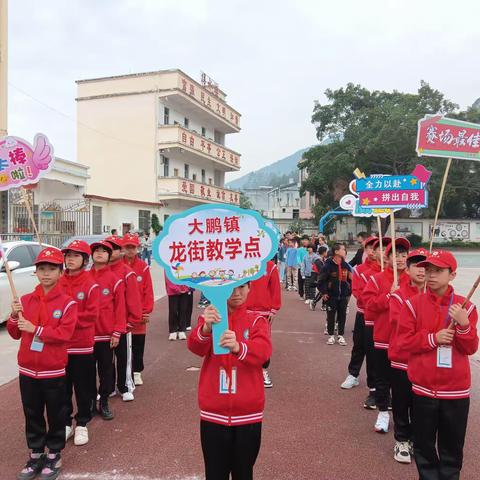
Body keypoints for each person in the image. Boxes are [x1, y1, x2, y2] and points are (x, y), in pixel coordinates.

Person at [397, 250, 478, 479]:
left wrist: (462, 325)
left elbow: (470, 348)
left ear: (452, 275)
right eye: (428, 270)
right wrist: (433, 338)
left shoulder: (466, 307)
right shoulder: (413, 305)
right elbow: (402, 342)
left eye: (438, 271)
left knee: (452, 449)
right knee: (423, 446)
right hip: (423, 389)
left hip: (456, 392)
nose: (431, 275)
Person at [188, 283, 272, 480]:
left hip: (248, 413)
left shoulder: (256, 320)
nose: (236, 293)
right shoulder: (211, 316)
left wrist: (238, 346)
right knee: (215, 473)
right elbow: (195, 347)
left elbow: (264, 352)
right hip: (213, 411)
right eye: (230, 288)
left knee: (244, 473)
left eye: (242, 287)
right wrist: (206, 328)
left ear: (250, 288)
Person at [8, 247, 77, 480]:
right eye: (42, 269)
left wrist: (35, 329)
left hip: (53, 369)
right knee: (32, 412)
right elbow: (15, 334)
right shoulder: (25, 301)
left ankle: (54, 453)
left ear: (60, 272)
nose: (46, 273)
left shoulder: (68, 303)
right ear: (36, 272)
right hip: (27, 369)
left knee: (57, 413)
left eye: (51, 269)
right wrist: (14, 317)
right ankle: (36, 452)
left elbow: (65, 334)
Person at [363, 237, 410, 434]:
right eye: (395, 255)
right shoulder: (377, 279)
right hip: (383, 338)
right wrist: (389, 295)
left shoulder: (414, 279)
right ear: (387, 257)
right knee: (382, 377)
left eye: (404, 255)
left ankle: (404, 416)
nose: (400, 258)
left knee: (404, 381)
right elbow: (369, 305)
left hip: (405, 341)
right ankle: (383, 411)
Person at [388, 248, 427, 464]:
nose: (421, 271)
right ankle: (402, 439)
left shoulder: (434, 296)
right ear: (408, 270)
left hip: (424, 360)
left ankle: (417, 439)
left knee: (421, 404)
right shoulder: (398, 295)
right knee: (402, 401)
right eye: (416, 266)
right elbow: (399, 323)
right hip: (402, 358)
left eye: (425, 266)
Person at [59, 240, 100, 447]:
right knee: (62, 387)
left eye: (75, 255)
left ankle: (82, 422)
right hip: (60, 345)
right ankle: (65, 423)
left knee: (82, 386)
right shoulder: (58, 282)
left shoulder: (90, 284)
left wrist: (66, 319)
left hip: (82, 345)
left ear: (85, 260)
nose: (70, 259)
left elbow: (91, 316)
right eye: (68, 255)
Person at [90, 241, 126, 421]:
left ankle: (103, 402)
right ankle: (89, 403)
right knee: (86, 373)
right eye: (96, 250)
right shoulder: (84, 277)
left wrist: (117, 331)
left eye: (104, 251)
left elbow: (120, 308)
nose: (100, 253)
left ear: (110, 255)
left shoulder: (115, 279)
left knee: (105, 371)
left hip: (106, 335)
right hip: (85, 337)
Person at [340, 236, 378, 403]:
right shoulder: (360, 270)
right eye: (370, 248)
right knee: (359, 345)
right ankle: (353, 374)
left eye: (378, 248)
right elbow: (358, 293)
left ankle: (375, 385)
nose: (374, 251)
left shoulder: (387, 270)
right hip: (363, 314)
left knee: (376, 352)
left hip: (382, 319)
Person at [105, 235, 142, 402]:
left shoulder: (127, 273)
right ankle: (109, 386)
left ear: (120, 251)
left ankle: (125, 386)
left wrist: (131, 320)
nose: (110, 252)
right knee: (105, 359)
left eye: (114, 248)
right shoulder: (97, 272)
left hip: (123, 324)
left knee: (123, 357)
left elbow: (134, 300)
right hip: (103, 325)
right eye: (106, 248)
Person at [122, 234, 154, 386]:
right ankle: (123, 373)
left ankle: (136, 372)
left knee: (138, 344)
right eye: (127, 247)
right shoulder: (117, 266)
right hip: (122, 315)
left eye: (133, 247)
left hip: (139, 315)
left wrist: (146, 311)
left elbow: (148, 291)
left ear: (137, 248)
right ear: (123, 248)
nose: (130, 250)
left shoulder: (143, 267)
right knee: (122, 347)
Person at [246, 260, 281, 388]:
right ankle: (245, 372)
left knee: (262, 342)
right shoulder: (242, 263)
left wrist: (274, 309)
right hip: (243, 310)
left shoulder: (271, 266)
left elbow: (275, 288)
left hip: (264, 312)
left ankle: (262, 370)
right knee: (243, 340)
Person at [318, 242, 352, 346]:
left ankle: (341, 335)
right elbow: (321, 280)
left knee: (342, 315)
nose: (344, 251)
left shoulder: (345, 265)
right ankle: (331, 336)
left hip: (343, 297)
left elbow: (351, 280)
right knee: (331, 315)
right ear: (336, 252)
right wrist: (324, 292)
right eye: (342, 249)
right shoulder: (327, 266)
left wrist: (348, 291)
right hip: (331, 296)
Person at [165, 273, 192, 340]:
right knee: (173, 310)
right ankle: (173, 330)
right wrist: (175, 288)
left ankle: (182, 330)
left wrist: (187, 286)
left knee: (183, 309)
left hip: (185, 289)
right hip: (172, 290)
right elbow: (168, 276)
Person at [309, 245, 328, 311]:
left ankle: (323, 305)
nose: (327, 253)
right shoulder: (318, 261)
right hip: (319, 279)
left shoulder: (322, 260)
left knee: (324, 291)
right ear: (323, 252)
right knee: (323, 291)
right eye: (326, 252)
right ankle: (314, 302)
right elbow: (321, 271)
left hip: (322, 279)